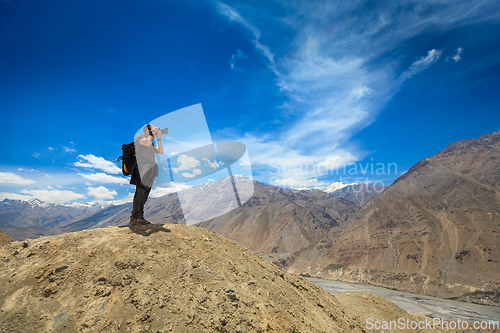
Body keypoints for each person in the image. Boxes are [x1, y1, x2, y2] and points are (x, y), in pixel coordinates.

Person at [129, 124, 165, 225]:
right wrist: (152, 134)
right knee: (140, 191)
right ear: (147, 129)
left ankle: (140, 216)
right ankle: (135, 217)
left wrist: (159, 139)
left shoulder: (151, 142)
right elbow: (147, 142)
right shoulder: (140, 137)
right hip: (142, 167)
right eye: (151, 129)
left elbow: (160, 152)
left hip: (151, 168)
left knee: (145, 193)